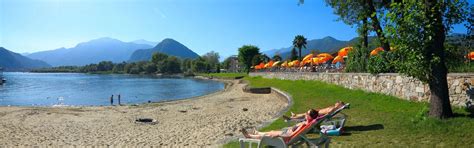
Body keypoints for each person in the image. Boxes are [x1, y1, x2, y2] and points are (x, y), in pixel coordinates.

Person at [241, 109, 318, 139]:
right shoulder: (306, 123)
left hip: (286, 135)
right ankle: (257, 133)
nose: (305, 114)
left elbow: (292, 135)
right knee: (271, 131)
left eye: (307, 113)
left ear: (310, 117)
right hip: (287, 132)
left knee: (269, 135)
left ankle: (250, 136)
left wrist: (279, 135)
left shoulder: (304, 125)